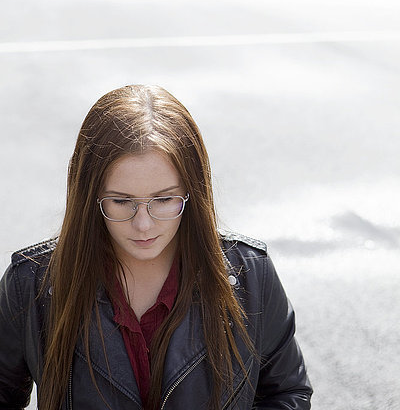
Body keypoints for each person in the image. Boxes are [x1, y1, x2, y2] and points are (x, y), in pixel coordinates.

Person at [0, 84, 313, 410]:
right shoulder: (32, 283)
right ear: (88, 195)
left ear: (194, 192)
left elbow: (287, 393)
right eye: (121, 201)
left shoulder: (250, 275)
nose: (143, 225)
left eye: (164, 199)